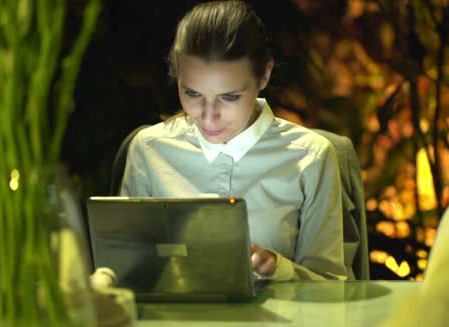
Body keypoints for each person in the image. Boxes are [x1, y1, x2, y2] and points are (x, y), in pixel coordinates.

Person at [120, 0, 346, 281]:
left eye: (229, 97)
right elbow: (125, 272)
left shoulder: (311, 158)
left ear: (264, 74)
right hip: (172, 323)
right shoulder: (149, 150)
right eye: (192, 94)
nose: (209, 117)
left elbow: (332, 288)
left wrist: (279, 269)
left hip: (277, 325)